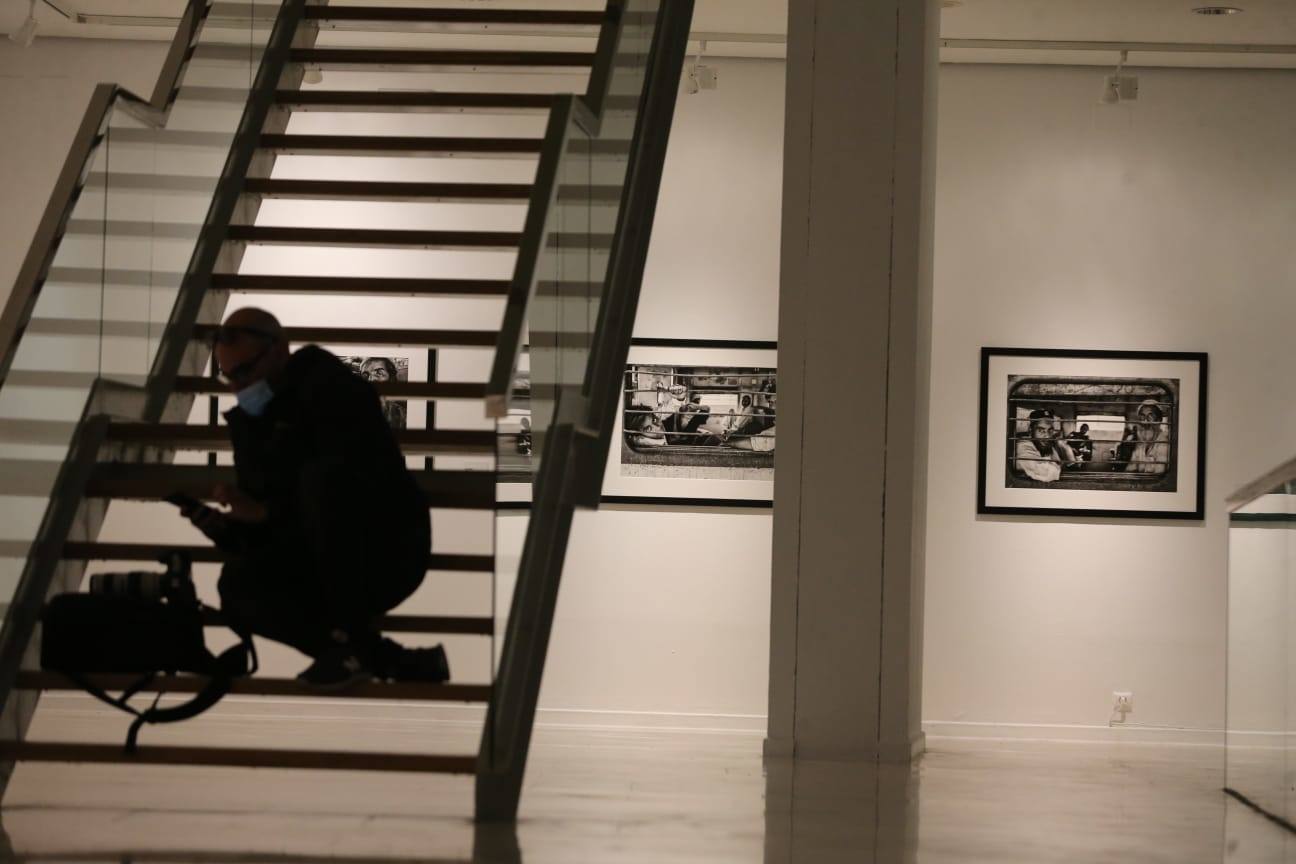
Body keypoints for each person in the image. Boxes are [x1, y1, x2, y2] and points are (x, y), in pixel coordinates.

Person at [179, 308, 448, 689]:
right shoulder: (250, 425)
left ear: (279, 351)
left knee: (320, 481)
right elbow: (273, 528)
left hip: (382, 549)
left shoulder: (332, 390)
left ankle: (365, 650)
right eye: (228, 376)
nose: (238, 386)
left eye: (244, 371)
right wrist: (230, 528)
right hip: (316, 561)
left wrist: (266, 512)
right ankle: (377, 655)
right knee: (238, 587)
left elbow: (350, 490)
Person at [1014, 409, 1079, 483]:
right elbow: (1044, 472)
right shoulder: (1023, 445)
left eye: (1050, 430)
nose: (1047, 436)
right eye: (1041, 430)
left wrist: (1066, 448)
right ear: (1030, 430)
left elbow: (1059, 464)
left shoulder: (1048, 446)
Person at [1123, 399, 1170, 475]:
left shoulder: (1164, 443)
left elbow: (1158, 477)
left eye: (1150, 416)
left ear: (1159, 420)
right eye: (1142, 417)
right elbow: (1130, 469)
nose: (1145, 422)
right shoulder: (1141, 444)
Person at [357, 357, 406, 429]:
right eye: (365, 376)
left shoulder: (402, 415)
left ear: (391, 378)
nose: (371, 379)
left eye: (379, 373)